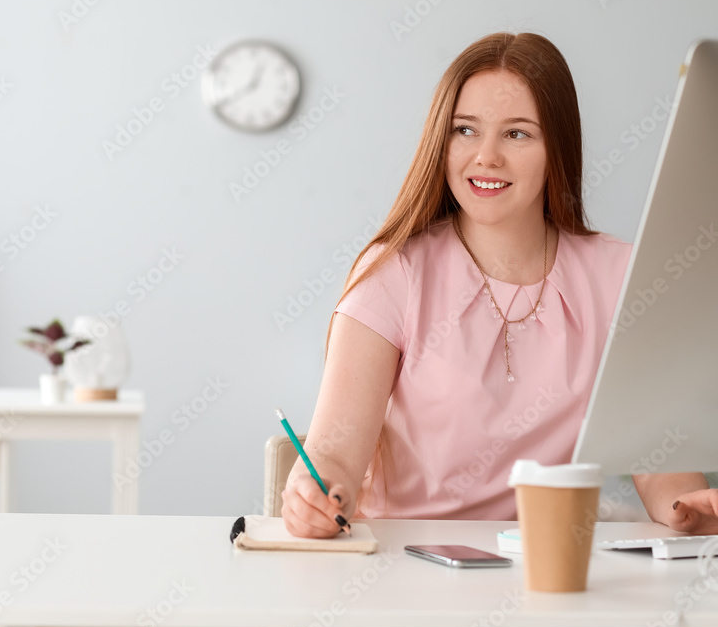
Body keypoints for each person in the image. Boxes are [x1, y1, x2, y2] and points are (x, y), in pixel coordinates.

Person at [281, 31, 718, 540]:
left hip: (546, 569)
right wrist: (316, 494)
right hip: (407, 570)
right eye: (465, 130)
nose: (485, 156)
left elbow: (655, 455)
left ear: (557, 146)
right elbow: (334, 452)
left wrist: (686, 506)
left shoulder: (620, 275)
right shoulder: (392, 273)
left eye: (517, 134)